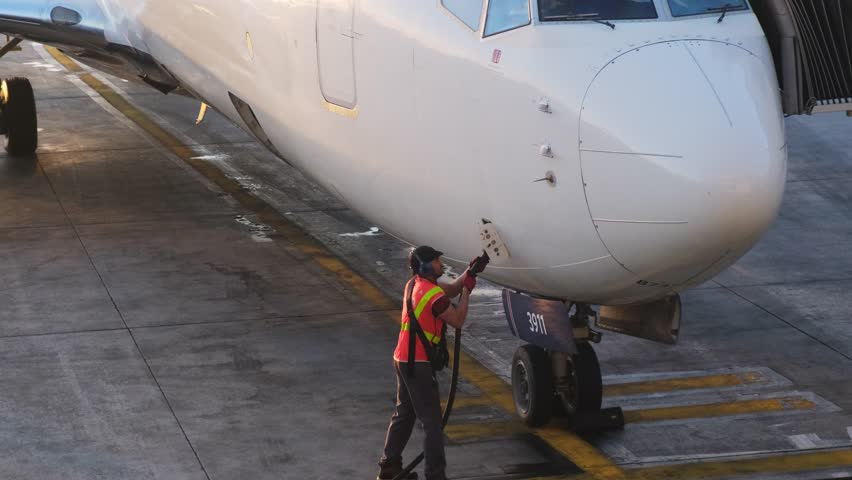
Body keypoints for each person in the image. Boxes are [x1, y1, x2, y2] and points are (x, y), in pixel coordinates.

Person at [377, 246, 487, 480]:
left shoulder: (416, 285)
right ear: (426, 266)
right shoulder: (432, 295)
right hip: (417, 363)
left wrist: (470, 272)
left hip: (403, 358)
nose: (441, 264)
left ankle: (389, 467)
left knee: (404, 413)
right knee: (432, 423)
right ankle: (435, 475)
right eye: (437, 261)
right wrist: (467, 293)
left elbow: (451, 289)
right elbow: (457, 320)